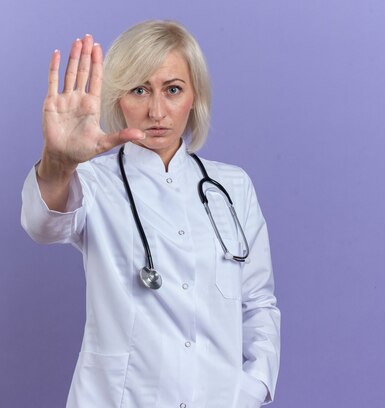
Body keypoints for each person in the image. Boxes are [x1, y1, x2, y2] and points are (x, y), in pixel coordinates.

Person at [21, 20, 280, 408]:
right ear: (118, 98)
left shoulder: (232, 187)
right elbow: (43, 224)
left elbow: (258, 302)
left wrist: (253, 386)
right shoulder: (91, 181)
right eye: (139, 90)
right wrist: (58, 163)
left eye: (173, 90)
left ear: (195, 97)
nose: (156, 110)